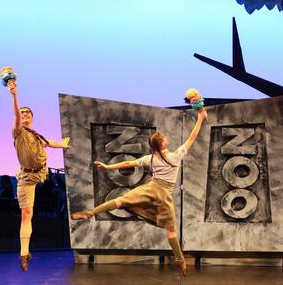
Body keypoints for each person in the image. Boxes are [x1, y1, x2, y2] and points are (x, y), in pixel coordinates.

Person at [70, 108, 207, 277]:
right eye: (164, 138)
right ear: (163, 144)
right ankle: (180, 259)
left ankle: (91, 212)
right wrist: (200, 118)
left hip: (149, 189)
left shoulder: (149, 159)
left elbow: (128, 164)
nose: (166, 138)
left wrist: (108, 166)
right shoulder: (175, 156)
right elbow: (191, 138)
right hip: (163, 195)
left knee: (121, 201)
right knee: (171, 231)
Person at [7, 78, 69, 271]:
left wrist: (63, 145)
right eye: (22, 112)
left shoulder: (36, 135)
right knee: (27, 214)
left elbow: (48, 142)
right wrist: (15, 94)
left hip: (42, 173)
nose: (24, 114)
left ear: (32, 117)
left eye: (27, 113)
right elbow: (16, 116)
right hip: (26, 178)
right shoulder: (18, 132)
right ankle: (24, 253)